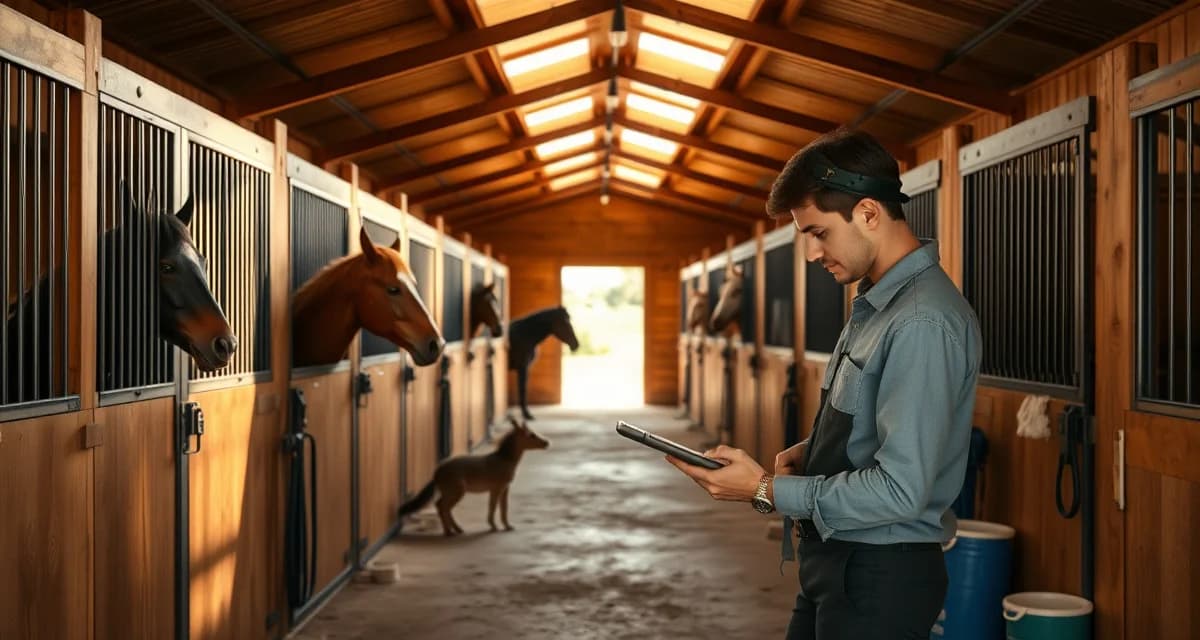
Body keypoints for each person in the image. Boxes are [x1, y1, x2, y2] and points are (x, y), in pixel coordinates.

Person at [665, 129, 982, 639]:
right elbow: (872, 422)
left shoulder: (921, 321)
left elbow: (901, 490)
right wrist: (814, 451)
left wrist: (767, 490)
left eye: (818, 232)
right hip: (838, 561)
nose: (811, 253)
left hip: (880, 574)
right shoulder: (876, 304)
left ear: (869, 213)